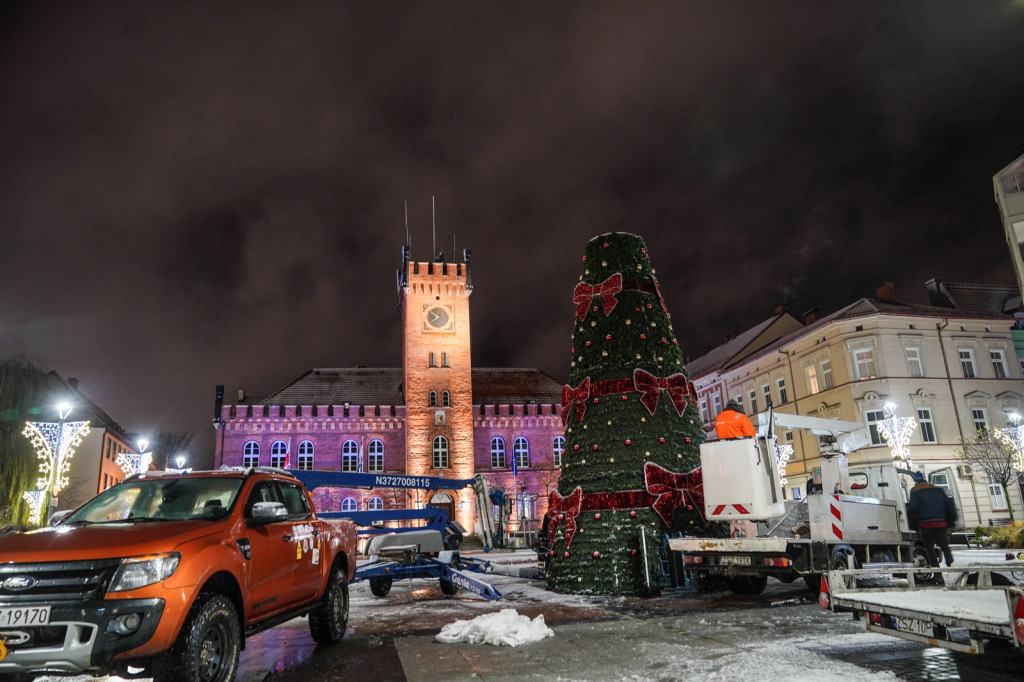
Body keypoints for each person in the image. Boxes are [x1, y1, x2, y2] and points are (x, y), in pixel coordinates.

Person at [907, 471, 955, 569]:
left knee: (930, 548)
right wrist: (950, 521)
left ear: (915, 480)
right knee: (944, 546)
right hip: (941, 523)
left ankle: (936, 570)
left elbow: (913, 508)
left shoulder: (915, 490)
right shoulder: (937, 489)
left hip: (926, 525)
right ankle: (952, 564)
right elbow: (948, 505)